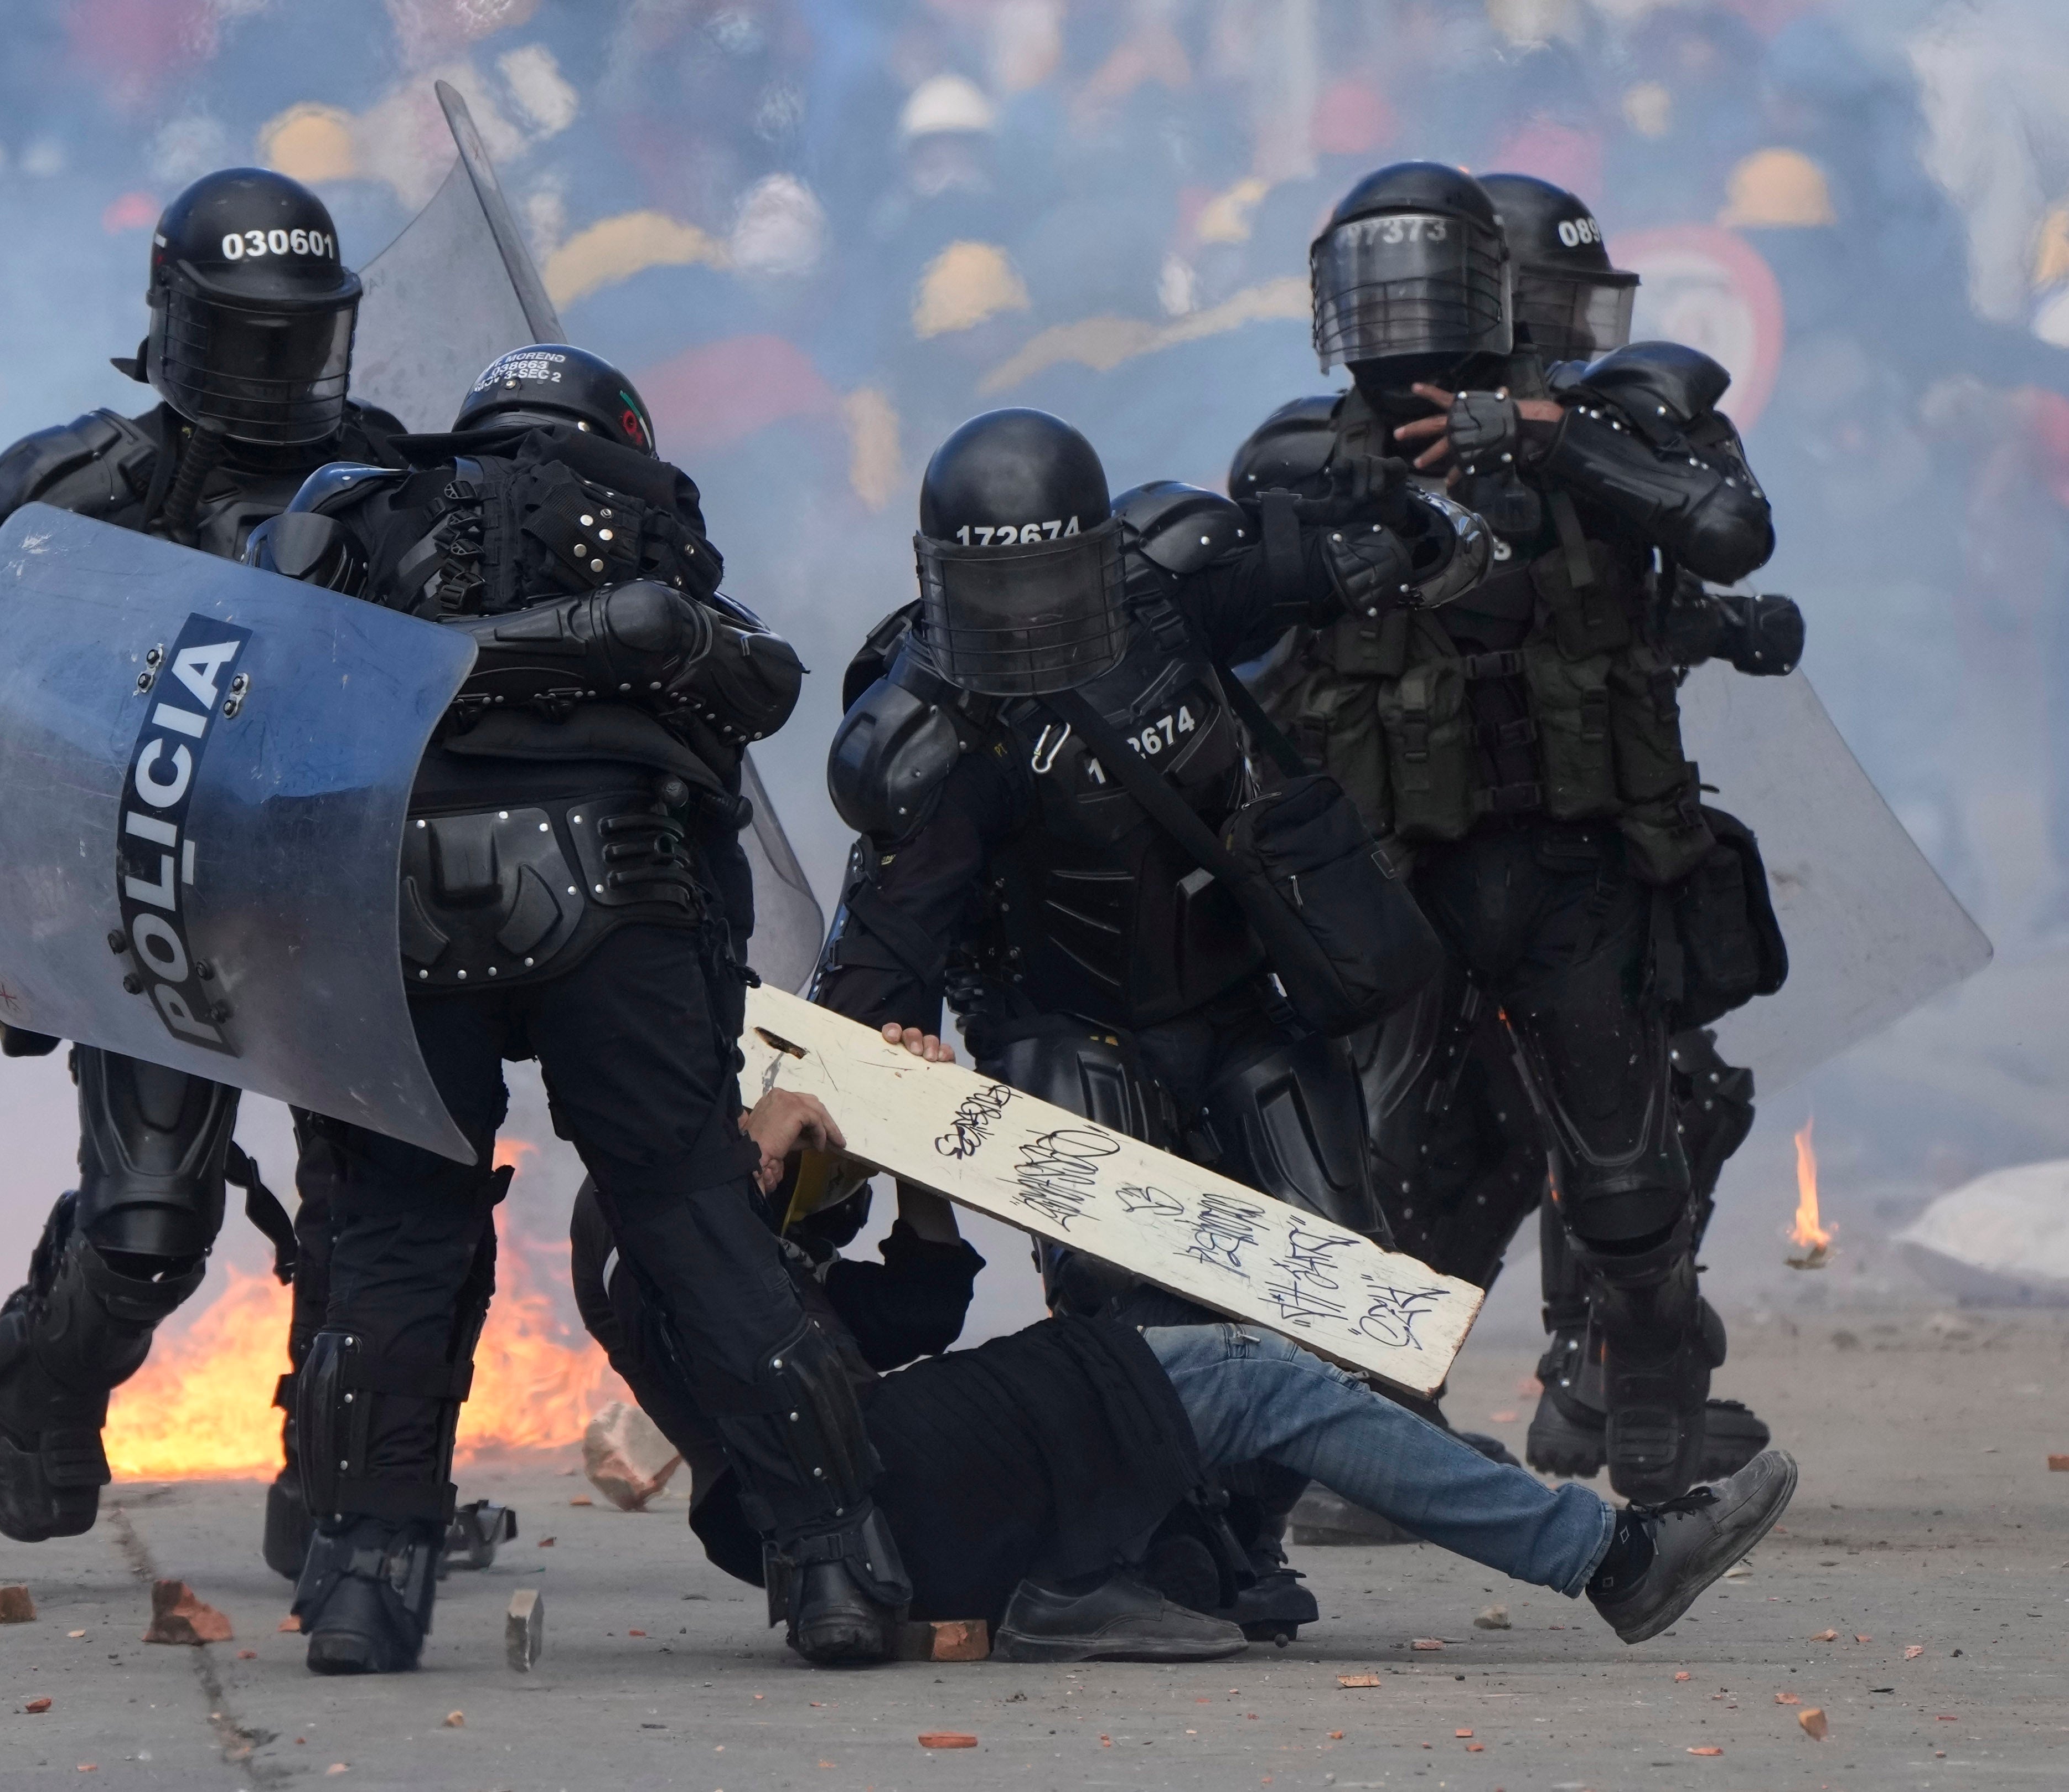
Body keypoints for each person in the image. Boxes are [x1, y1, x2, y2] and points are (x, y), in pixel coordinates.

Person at [242, 342, 911, 1675]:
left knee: (397, 1230)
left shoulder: (357, 511)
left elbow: (253, 677)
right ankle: (836, 1565)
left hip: (397, 896)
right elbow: (761, 688)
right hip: (624, 891)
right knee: (691, 1216)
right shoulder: (649, 521)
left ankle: (366, 1581)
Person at [806, 406, 1484, 1641]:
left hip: (1240, 1005)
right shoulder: (935, 729)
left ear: (1099, 553)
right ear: (942, 580)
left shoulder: (1174, 587)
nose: (1027, 617)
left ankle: (1235, 1539)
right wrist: (846, 1106)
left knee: (1331, 1280)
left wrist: (1393, 530)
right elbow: (883, 952)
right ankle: (1140, 1555)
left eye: (1049, 580)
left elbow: (1363, 549)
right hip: (1064, 1029)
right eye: (997, 589)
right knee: (1133, 1313)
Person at [0, 168, 405, 1553]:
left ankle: (343, 1481)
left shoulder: (394, 472)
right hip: (156, 903)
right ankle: (41, 1371)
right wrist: (2, 931)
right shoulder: (83, 490)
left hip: (344, 896)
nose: (273, 371)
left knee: (379, 1219)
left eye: (297, 338)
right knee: (148, 1232)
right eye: (244, 337)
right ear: (175, 317)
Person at [1230, 163, 1793, 1503]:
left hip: (1569, 858)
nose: (1400, 319)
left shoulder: (1603, 423)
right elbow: (1226, 635)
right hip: (1390, 872)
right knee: (1369, 1164)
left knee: (1623, 1159)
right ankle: (1371, 1428)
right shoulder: (1303, 450)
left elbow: (1729, 532)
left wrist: (1547, 440)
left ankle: (1644, 1371)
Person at [578, 1073, 1801, 1661]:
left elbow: (905, 1314)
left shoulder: (691, 1188)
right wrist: (750, 1161)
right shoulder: (634, 1212)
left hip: (874, 1477)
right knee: (1254, 1377)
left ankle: (1072, 1577)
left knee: (1249, 1373)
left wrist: (911, 1148)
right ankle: (1612, 1558)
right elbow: (713, 1332)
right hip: (849, 1494)